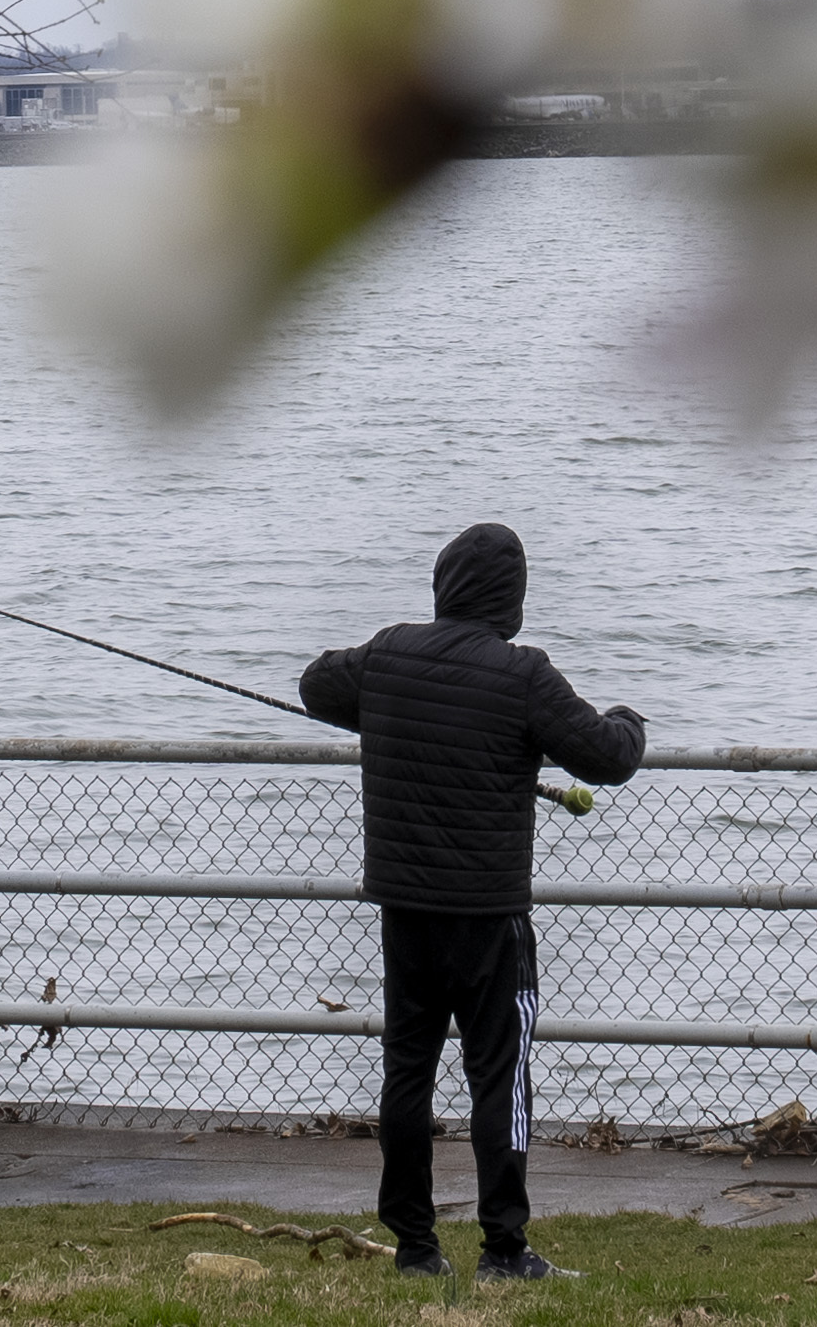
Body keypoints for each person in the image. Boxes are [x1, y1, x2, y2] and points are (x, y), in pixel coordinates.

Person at [300, 522, 648, 1282]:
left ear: (442, 584)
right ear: (511, 599)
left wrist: (386, 706)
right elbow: (606, 753)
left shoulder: (389, 653)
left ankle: (417, 1247)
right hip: (490, 918)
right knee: (500, 1075)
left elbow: (316, 683)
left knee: (407, 1071)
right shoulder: (522, 673)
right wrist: (632, 718)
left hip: (405, 913)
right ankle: (504, 1246)